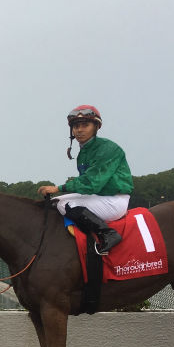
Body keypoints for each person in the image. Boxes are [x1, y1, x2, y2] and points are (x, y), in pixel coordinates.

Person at [37, 105, 133, 255]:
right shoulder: (84, 152)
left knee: (66, 205)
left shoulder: (108, 148)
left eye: (85, 125)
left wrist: (58, 188)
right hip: (99, 197)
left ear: (96, 127)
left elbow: (91, 183)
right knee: (56, 202)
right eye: (76, 126)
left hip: (114, 200)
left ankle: (108, 234)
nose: (79, 130)